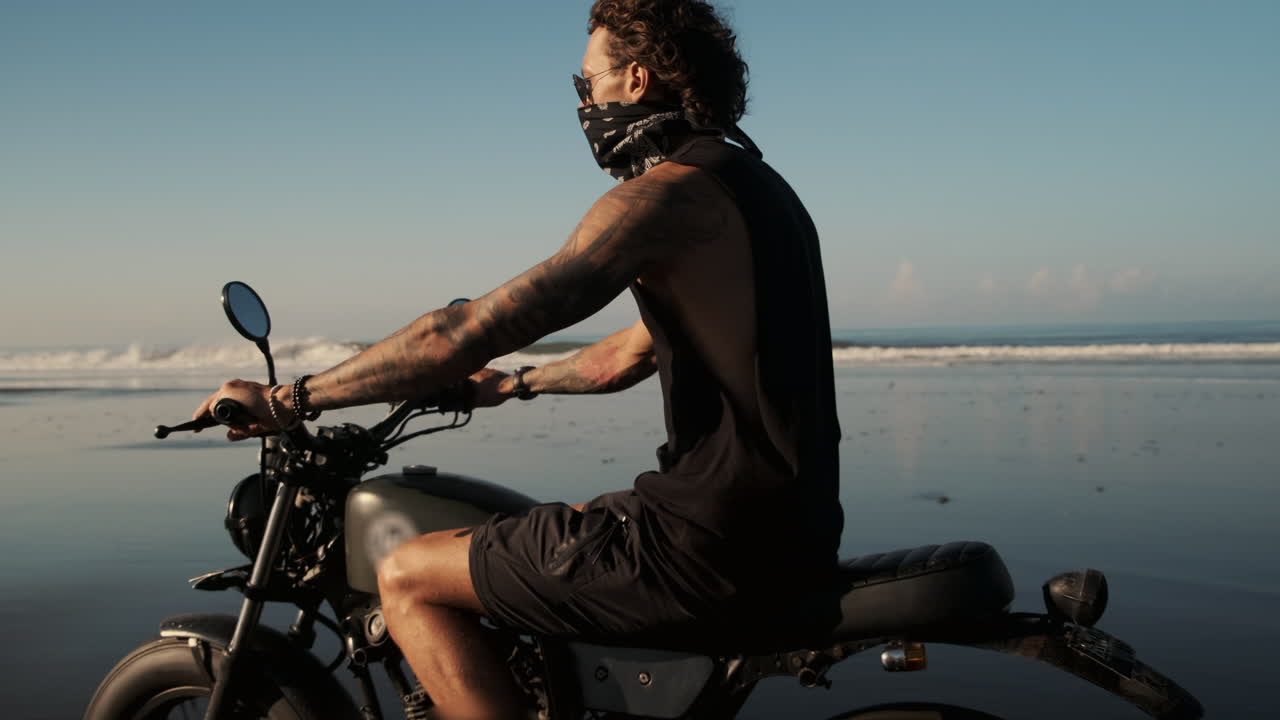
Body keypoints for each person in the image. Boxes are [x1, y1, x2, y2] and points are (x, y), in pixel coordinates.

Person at [192, 1, 842, 717]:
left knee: (406, 575)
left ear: (636, 79)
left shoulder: (661, 200)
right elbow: (624, 357)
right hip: (789, 532)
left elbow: (459, 333)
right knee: (565, 520)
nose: (584, 102)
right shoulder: (758, 189)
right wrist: (512, 385)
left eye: (587, 82)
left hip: (704, 546)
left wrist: (289, 399)